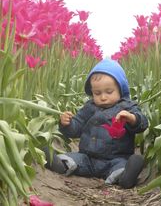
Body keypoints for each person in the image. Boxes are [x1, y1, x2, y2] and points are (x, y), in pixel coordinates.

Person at [44, 58, 148, 189]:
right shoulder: (89, 107)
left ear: (121, 89)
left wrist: (132, 119)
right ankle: (59, 163)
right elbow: (76, 128)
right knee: (75, 159)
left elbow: (143, 123)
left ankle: (125, 177)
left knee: (120, 167)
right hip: (88, 158)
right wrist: (67, 124)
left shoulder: (127, 107)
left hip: (116, 159)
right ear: (91, 92)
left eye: (109, 92)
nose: (103, 97)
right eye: (97, 93)